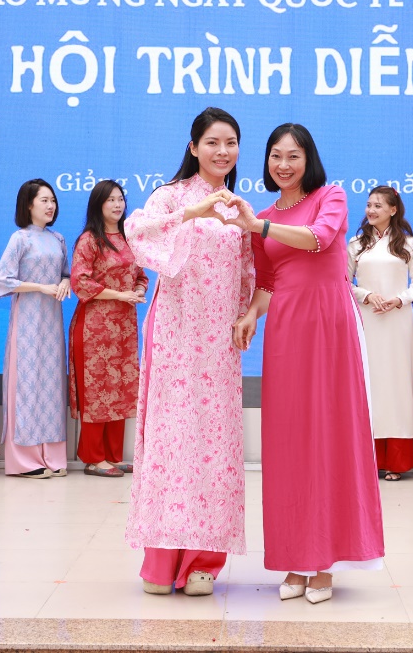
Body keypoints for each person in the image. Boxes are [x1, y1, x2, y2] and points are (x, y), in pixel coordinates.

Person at [232, 123, 383, 605]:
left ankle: (325, 563)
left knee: (329, 436)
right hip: (286, 331)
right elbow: (268, 281)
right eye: (275, 155)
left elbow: (318, 239)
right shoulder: (263, 216)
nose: (283, 164)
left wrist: (259, 227)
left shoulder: (329, 197)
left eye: (293, 156)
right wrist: (250, 314)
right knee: (289, 441)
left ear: (308, 159)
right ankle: (295, 559)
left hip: (329, 324)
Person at [124, 107, 253, 598]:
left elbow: (248, 271)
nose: (223, 151)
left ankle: (204, 560)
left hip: (218, 341)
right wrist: (192, 213)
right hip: (176, 334)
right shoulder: (170, 195)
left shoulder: (238, 208)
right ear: (194, 146)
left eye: (231, 143)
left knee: (214, 445)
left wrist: (245, 314)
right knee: (170, 440)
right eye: (213, 142)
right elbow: (137, 233)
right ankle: (160, 560)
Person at [69, 180, 146, 477]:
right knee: (98, 390)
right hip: (95, 328)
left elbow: (141, 275)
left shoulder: (129, 238)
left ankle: (113, 456)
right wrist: (119, 295)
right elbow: (80, 283)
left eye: (120, 199)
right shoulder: (89, 240)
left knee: (120, 389)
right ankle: (93, 458)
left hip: (124, 328)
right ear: (98, 204)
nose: (117, 205)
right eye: (110, 200)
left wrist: (137, 290)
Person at [347, 186, 413, 481]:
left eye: (378, 205)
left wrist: (399, 300)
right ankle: (369, 459)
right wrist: (366, 295)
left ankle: (397, 461)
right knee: (369, 383)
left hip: (398, 321)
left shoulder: (408, 243)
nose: (371, 210)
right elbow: (343, 280)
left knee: (398, 385)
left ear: (393, 210)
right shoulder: (356, 243)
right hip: (367, 320)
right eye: (369, 205)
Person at [0, 179, 71, 478]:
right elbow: (3, 280)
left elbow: (65, 273)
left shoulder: (58, 239)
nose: (50, 206)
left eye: (52, 200)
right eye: (44, 200)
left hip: (52, 320)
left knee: (51, 385)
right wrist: (41, 287)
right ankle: (24, 461)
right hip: (27, 318)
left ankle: (53, 456)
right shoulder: (20, 239)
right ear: (28, 205)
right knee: (26, 384)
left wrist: (64, 282)